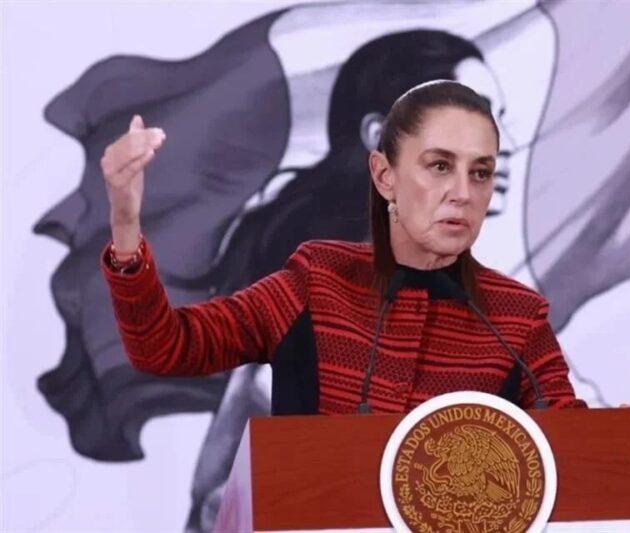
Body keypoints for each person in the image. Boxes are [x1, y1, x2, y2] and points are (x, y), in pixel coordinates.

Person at [99, 79, 585, 418]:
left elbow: (577, 451)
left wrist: (615, 439)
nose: (463, 192)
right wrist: (124, 224)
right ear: (384, 176)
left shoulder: (518, 319)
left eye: (480, 172)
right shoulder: (318, 280)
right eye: (440, 166)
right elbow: (164, 347)